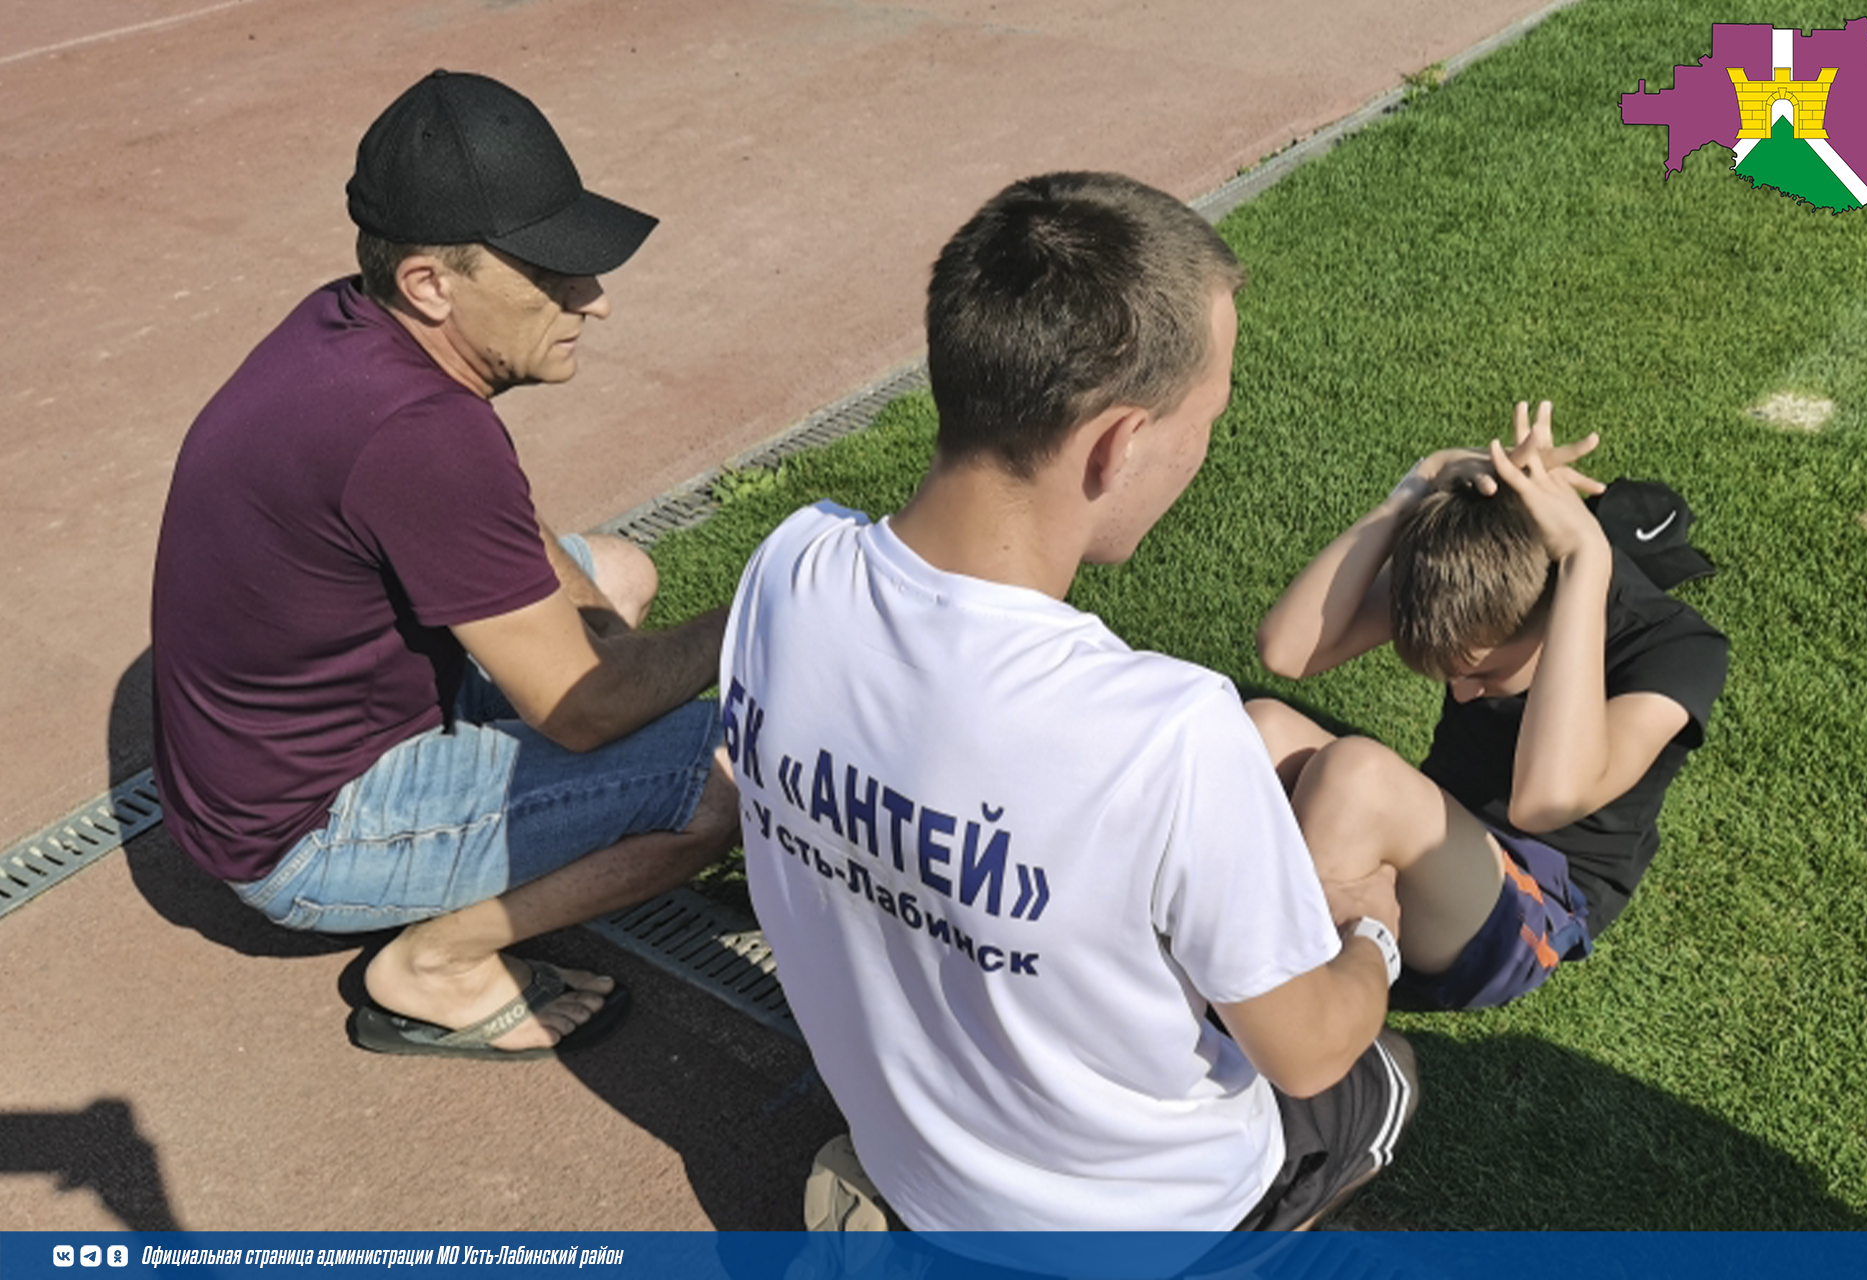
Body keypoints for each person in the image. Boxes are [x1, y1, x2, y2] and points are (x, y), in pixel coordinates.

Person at [719, 172, 1415, 1264]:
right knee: (1382, 1080)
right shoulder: (1171, 728)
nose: (1206, 448)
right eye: (1209, 417)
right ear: (1116, 444)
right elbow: (1308, 1052)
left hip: (917, 1165)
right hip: (1146, 1222)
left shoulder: (787, 567)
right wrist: (1372, 926)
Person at [151, 70, 737, 1059]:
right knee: (719, 783)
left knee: (622, 578)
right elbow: (580, 708)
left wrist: (605, 647)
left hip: (267, 755)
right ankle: (435, 963)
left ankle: (522, 839)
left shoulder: (353, 325)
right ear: (430, 280)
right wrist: (764, 607)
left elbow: (509, 531)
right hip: (305, 830)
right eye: (554, 273)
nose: (593, 302)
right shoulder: (419, 433)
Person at [1250, 403, 1729, 1011]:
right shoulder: (1489, 580)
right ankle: (1203, 946)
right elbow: (1287, 651)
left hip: (1531, 904)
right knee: (1260, 728)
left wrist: (1586, 558)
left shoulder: (1675, 649)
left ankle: (1294, 1027)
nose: (1461, 694)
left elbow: (1544, 799)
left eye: (1483, 674)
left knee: (1355, 776)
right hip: (1441, 838)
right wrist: (1421, 481)